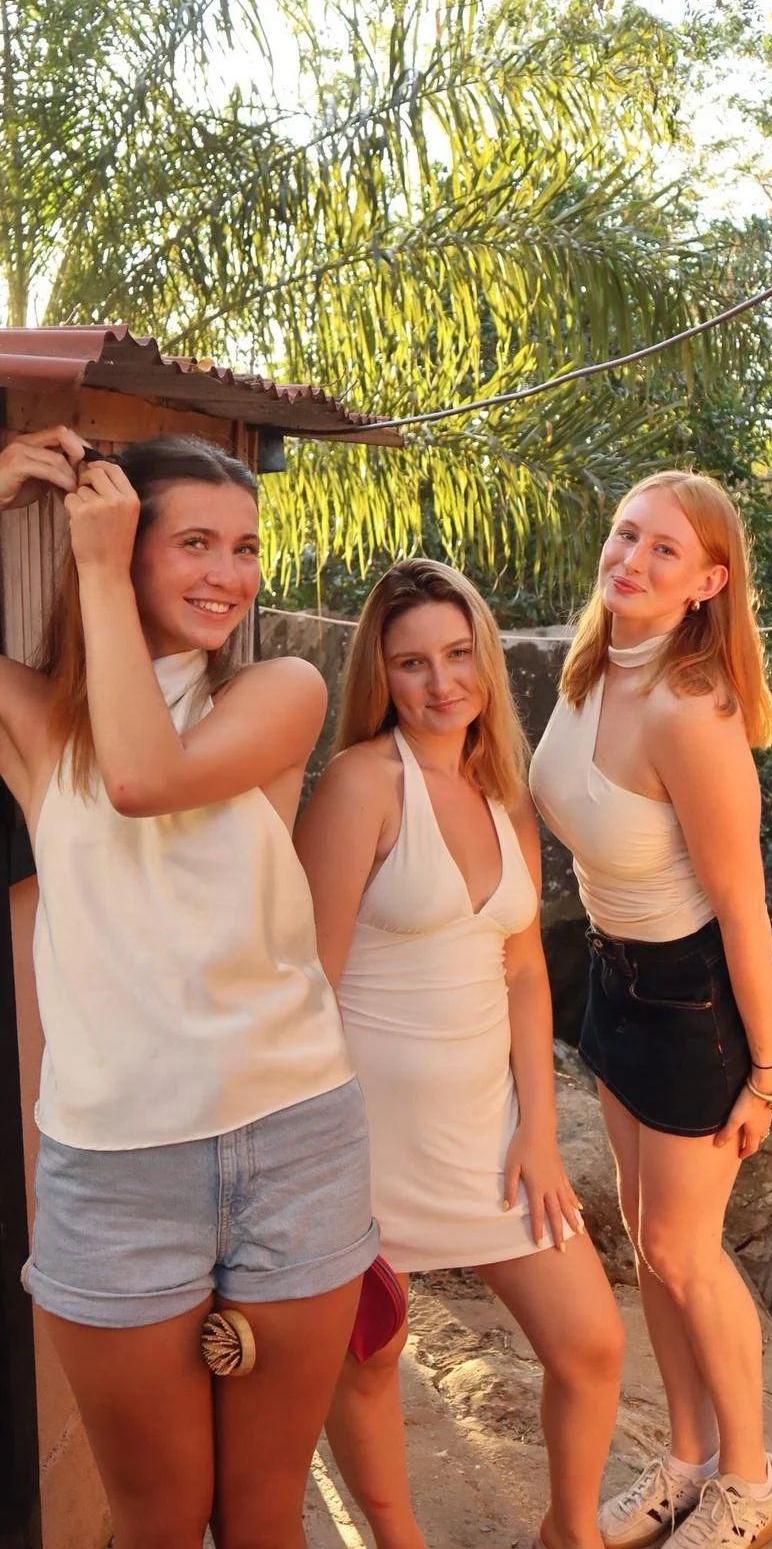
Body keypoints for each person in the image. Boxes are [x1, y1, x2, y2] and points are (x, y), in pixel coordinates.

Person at [0, 426, 377, 1549]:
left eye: (246, 548)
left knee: (264, 1517)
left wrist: (106, 569)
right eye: (198, 544)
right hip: (112, 1173)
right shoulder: (32, 726)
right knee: (158, 1521)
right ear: (115, 543)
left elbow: (142, 777)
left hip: (296, 1140)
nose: (230, 576)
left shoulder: (278, 693)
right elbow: (110, 759)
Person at [295, 558, 624, 1549]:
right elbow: (306, 984)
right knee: (367, 1360)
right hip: (366, 1139)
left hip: (488, 1135)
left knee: (593, 1344)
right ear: (380, 676)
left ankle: (569, 1533)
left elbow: (524, 973)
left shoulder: (504, 796)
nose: (441, 684)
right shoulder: (360, 783)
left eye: (454, 654)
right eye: (410, 663)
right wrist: (319, 1164)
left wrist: (538, 1133)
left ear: (482, 657)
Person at [529, 471, 772, 1549]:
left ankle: (752, 1480)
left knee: (690, 1252)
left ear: (708, 581)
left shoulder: (693, 714)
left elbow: (744, 910)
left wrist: (768, 1076)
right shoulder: (590, 663)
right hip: (615, 981)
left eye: (663, 550)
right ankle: (688, 1460)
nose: (631, 560)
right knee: (650, 1248)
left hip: (698, 1001)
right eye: (625, 533)